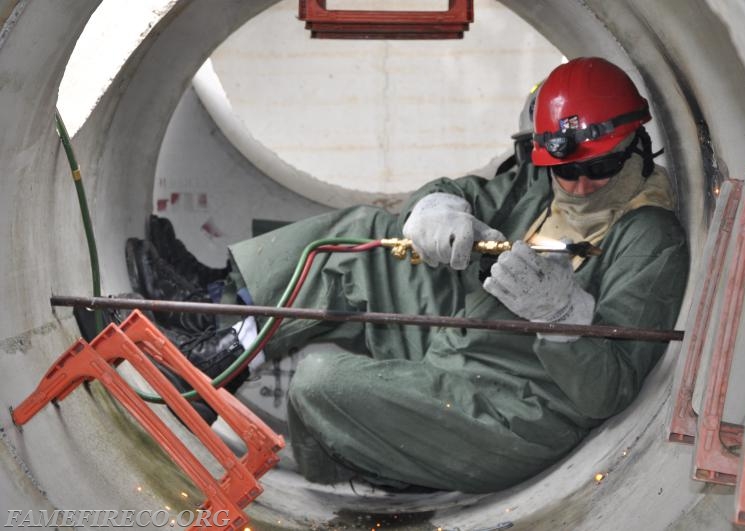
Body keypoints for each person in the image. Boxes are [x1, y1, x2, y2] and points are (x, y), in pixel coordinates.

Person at [130, 57, 689, 493]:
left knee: (319, 380)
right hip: (471, 335)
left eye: (600, 167)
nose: (583, 185)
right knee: (364, 238)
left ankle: (379, 466)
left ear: (636, 141)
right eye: (567, 170)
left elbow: (609, 391)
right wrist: (436, 207)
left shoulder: (648, 240)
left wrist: (566, 319)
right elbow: (471, 193)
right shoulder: (540, 185)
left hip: (514, 408)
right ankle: (216, 325)